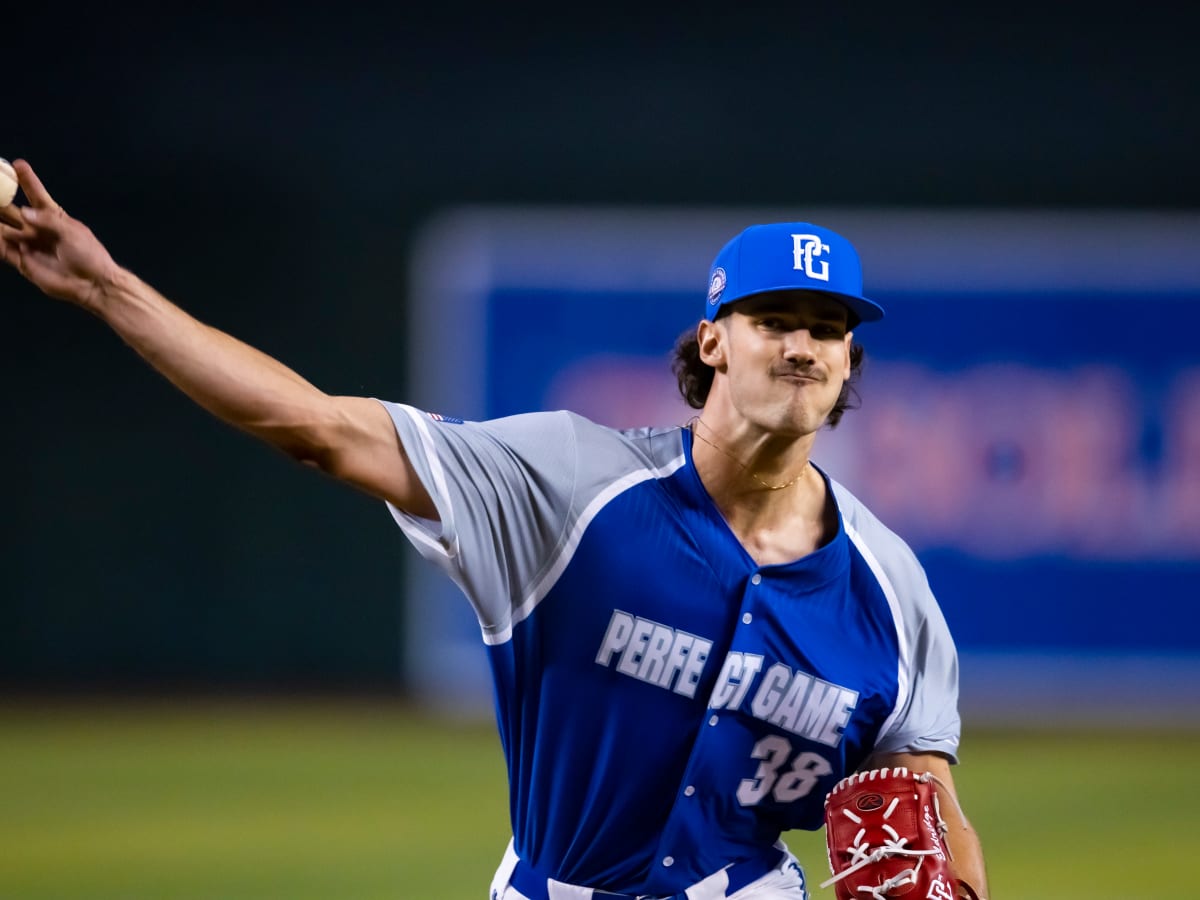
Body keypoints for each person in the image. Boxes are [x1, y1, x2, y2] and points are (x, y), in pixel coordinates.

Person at [0, 159, 988, 900]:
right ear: (713, 341)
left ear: (852, 360)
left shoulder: (890, 592)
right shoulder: (568, 486)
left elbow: (925, 807)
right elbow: (313, 427)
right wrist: (103, 286)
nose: (804, 347)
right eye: (777, 319)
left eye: (828, 328)